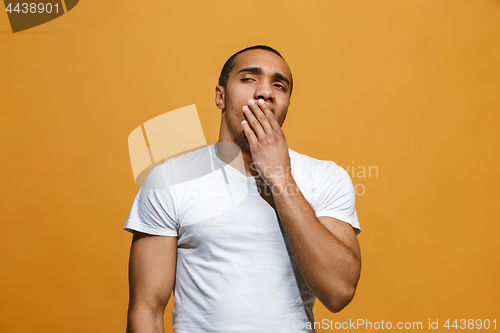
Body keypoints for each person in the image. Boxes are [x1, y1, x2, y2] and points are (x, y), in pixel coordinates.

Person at [124, 45, 361, 333]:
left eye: (279, 85)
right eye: (249, 78)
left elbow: (339, 291)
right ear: (220, 96)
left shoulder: (326, 177)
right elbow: (146, 309)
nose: (265, 92)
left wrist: (280, 177)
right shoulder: (169, 179)